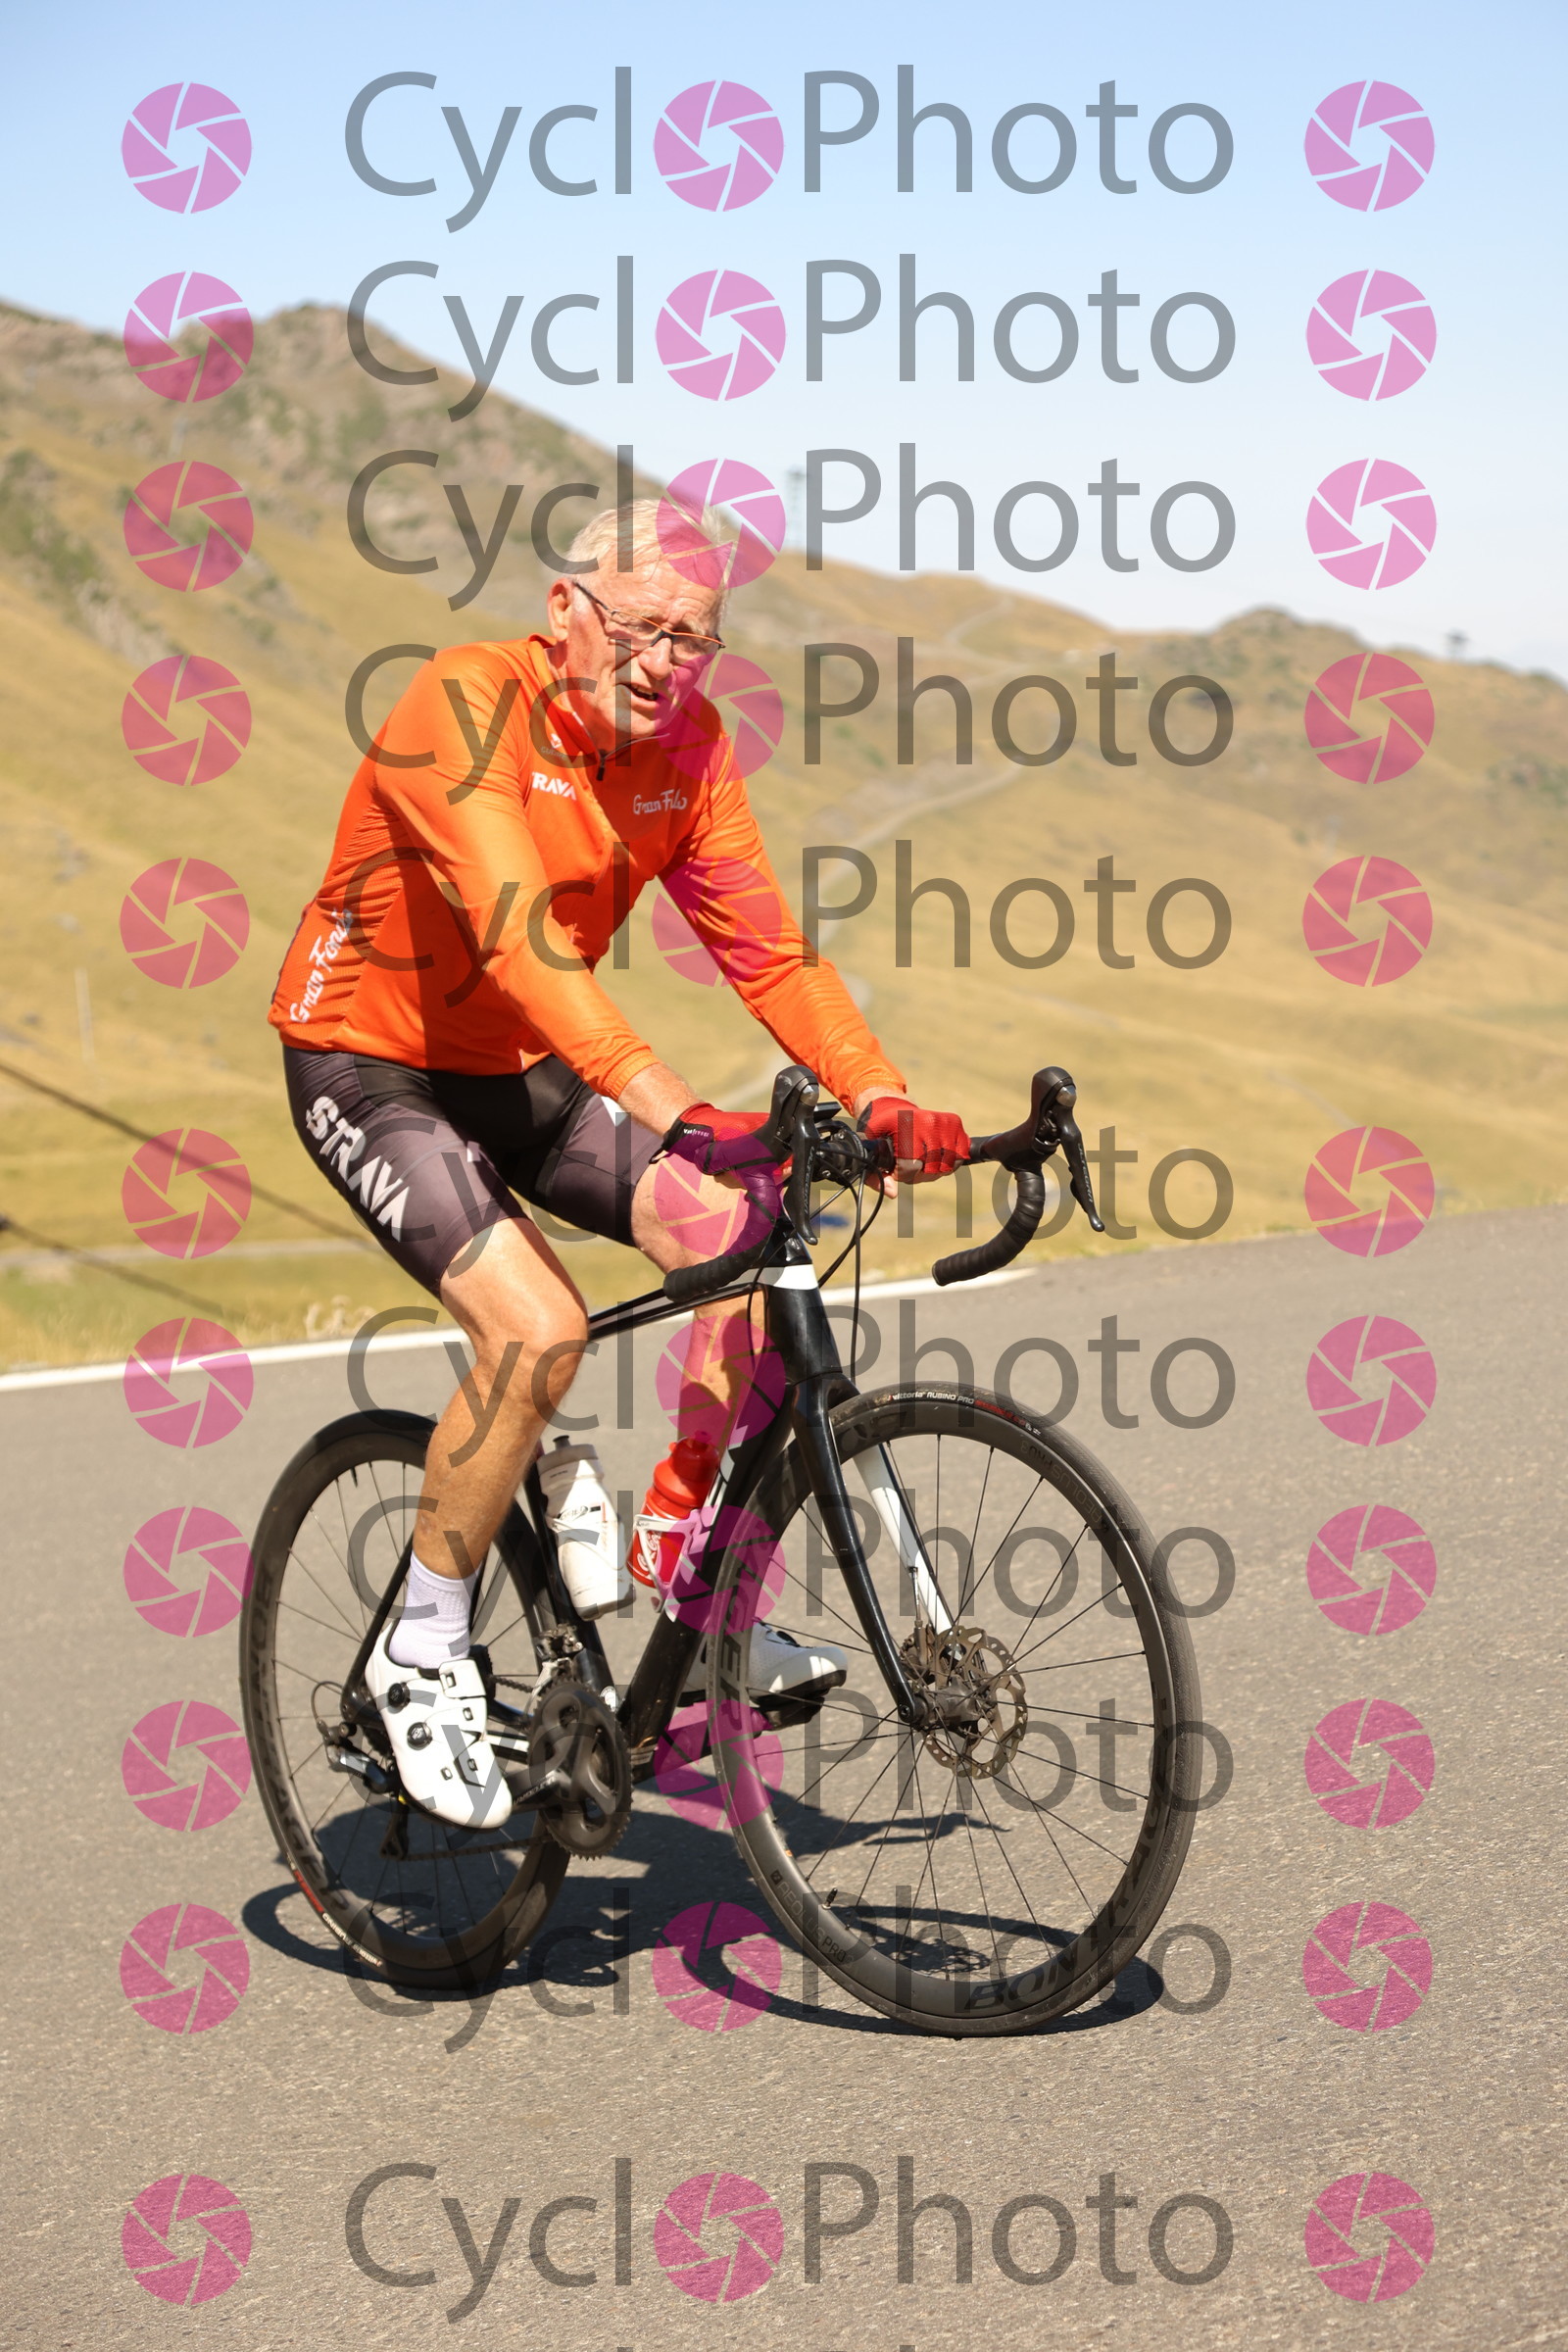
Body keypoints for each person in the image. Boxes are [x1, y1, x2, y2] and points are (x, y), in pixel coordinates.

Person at [270, 501, 968, 1825]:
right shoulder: (461, 704)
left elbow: (770, 955)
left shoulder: (689, 753)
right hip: (370, 1058)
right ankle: (421, 1644)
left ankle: (692, 1590)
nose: (665, 663)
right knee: (537, 1331)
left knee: (745, 1245)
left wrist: (877, 1093)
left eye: (694, 639)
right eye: (641, 628)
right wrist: (675, 1107)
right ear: (565, 612)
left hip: (519, 1065)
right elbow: (521, 943)